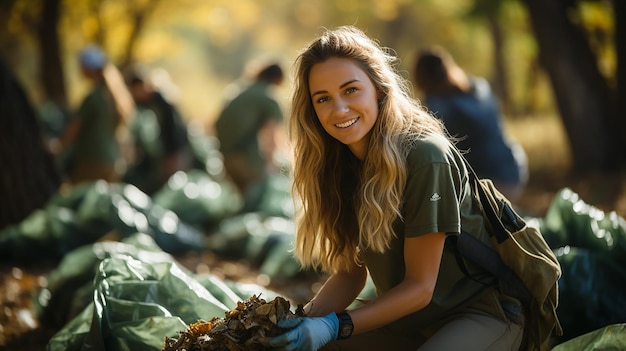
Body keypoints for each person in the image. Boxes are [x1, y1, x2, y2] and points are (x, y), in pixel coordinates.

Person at [269, 26, 525, 351]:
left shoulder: (425, 156)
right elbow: (351, 275)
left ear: (377, 89)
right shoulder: (340, 167)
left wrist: (336, 325)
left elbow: (420, 287)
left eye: (350, 90)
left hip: (481, 314)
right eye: (323, 99)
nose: (339, 109)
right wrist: (302, 322)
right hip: (409, 320)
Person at [413, 46, 528, 202]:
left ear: (420, 77)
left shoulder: (436, 107)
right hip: (514, 167)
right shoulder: (479, 87)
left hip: (488, 182)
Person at [56, 44, 134, 184]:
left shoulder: (93, 98)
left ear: (88, 69)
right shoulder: (113, 95)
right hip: (112, 161)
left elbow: (75, 128)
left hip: (92, 161)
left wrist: (58, 147)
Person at [214, 61, 285, 211]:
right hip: (245, 159)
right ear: (278, 80)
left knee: (241, 204)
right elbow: (272, 136)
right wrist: (273, 165)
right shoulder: (267, 97)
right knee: (261, 202)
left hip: (224, 157)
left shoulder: (240, 90)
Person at [124, 65, 191, 195]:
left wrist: (170, 155)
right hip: (166, 151)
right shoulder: (145, 103)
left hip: (176, 150)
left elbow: (173, 130)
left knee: (173, 184)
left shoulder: (162, 102)